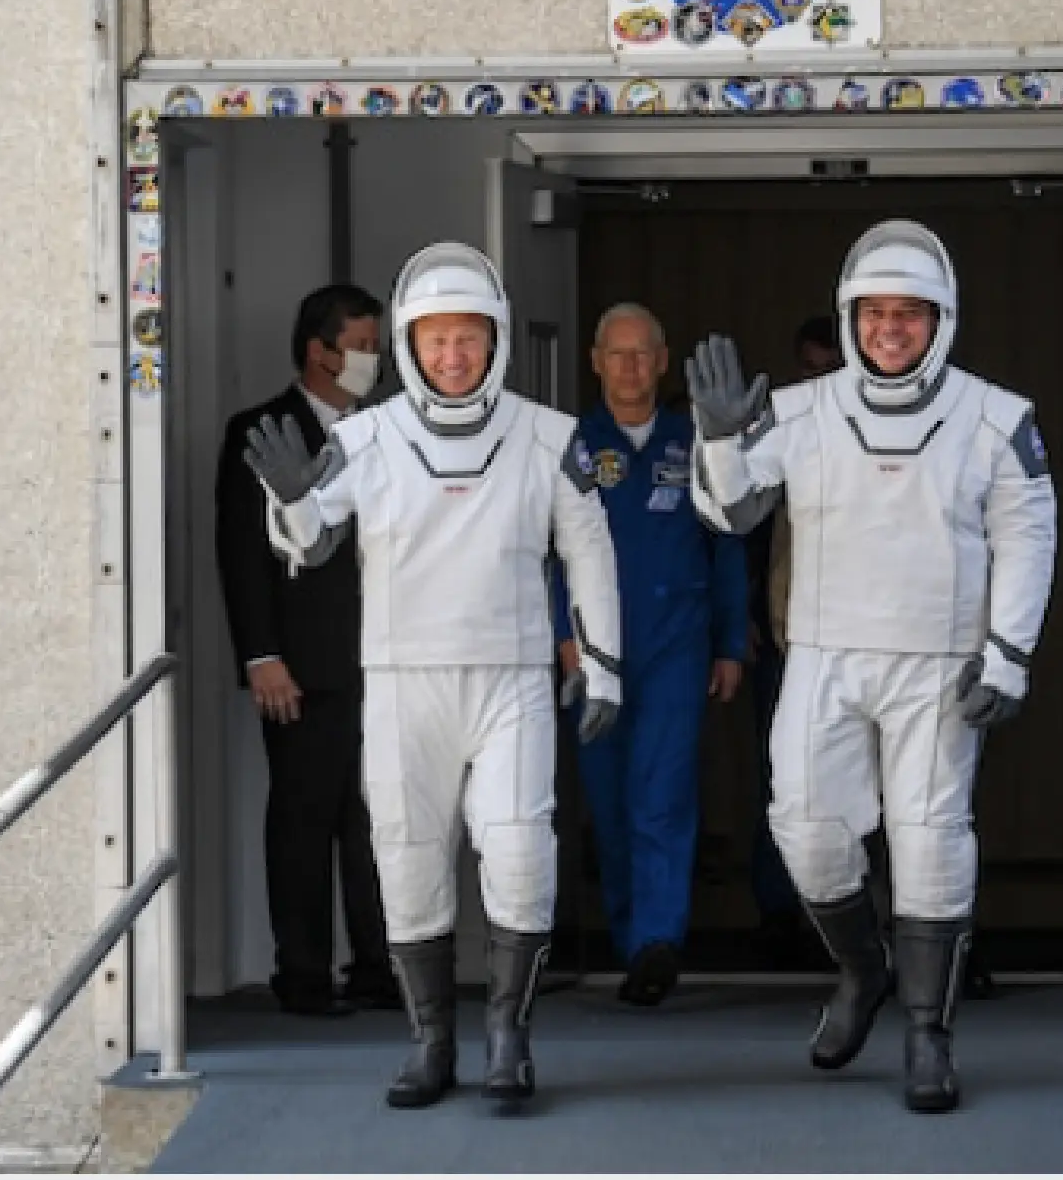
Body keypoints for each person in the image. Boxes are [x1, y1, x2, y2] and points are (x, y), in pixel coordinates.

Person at [685, 219, 1058, 1113]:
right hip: (823, 655)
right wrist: (721, 440)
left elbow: (1029, 533)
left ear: (942, 320)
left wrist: (1009, 654)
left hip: (940, 663)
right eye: (876, 313)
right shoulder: (800, 410)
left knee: (931, 843)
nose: (893, 329)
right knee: (806, 827)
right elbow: (729, 512)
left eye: (911, 314)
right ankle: (863, 970)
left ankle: (930, 1034)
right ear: (852, 319)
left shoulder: (996, 416)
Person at [244, 241, 622, 1109]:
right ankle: (429, 1042)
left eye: (472, 338)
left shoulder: (547, 436)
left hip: (511, 680)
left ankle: (508, 1035)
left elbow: (590, 549)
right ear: (412, 344)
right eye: (438, 340)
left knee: (521, 848)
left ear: (497, 342)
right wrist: (290, 498)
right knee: (407, 857)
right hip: (404, 679)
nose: (456, 357)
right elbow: (306, 543)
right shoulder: (364, 437)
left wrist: (602, 667)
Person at [552, 302, 748, 1006]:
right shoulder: (568, 443)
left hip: (676, 645)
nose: (631, 366)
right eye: (618, 353)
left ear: (664, 361)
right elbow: (546, 553)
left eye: (644, 353)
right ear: (595, 360)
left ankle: (657, 942)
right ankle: (630, 931)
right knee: (608, 797)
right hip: (596, 651)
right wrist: (564, 639)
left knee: (662, 793)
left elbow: (726, 543)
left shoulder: (694, 441)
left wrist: (730, 642)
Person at [213, 282, 398, 1016]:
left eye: (376, 345)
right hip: (302, 663)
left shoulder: (390, 428)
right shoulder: (259, 429)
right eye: (360, 345)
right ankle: (304, 972)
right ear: (318, 351)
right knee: (303, 817)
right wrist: (261, 654)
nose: (372, 359)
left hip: (384, 657)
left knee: (379, 818)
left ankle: (381, 967)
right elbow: (242, 554)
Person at [744, 316, 838, 962]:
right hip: (786, 637)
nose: (816, 380)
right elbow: (738, 522)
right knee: (781, 780)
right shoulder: (780, 433)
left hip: (867, 640)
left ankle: (867, 918)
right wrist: (742, 617)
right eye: (807, 367)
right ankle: (780, 912)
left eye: (826, 366)